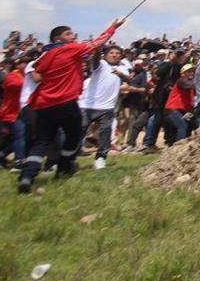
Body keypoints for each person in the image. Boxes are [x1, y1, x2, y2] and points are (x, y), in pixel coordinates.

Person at [18, 18, 124, 194]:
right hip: (66, 102)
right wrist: (114, 26)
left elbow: (38, 73)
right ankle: (64, 167)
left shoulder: (45, 57)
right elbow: (98, 42)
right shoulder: (70, 49)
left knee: (42, 141)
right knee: (74, 136)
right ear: (58, 39)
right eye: (68, 34)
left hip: (44, 104)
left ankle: (27, 176)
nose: (73, 35)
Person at [79, 44, 129, 169]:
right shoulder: (101, 64)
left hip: (107, 107)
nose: (115, 55)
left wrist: (120, 74)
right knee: (79, 131)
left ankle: (100, 158)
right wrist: (97, 49)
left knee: (105, 133)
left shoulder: (122, 68)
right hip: (88, 105)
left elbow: (129, 78)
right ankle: (68, 158)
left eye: (117, 53)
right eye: (112, 53)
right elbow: (95, 61)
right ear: (105, 55)